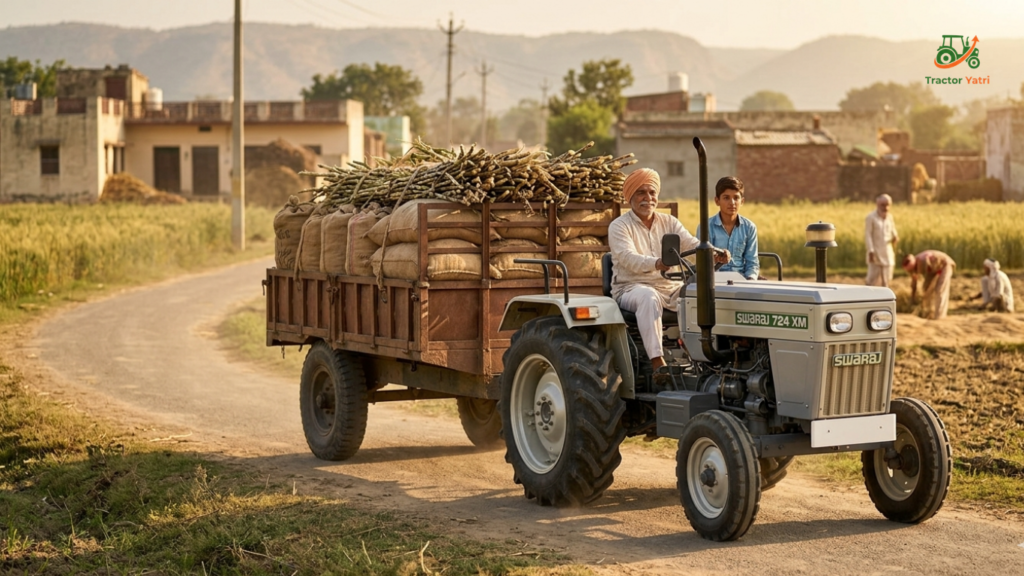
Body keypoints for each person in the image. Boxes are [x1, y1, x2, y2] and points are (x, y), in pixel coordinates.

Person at [608, 168, 730, 373]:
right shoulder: (619, 226)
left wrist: (715, 253)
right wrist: (656, 263)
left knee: (697, 294)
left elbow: (691, 244)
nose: (648, 198)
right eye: (641, 193)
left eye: (652, 193)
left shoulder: (669, 222)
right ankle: (658, 363)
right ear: (630, 197)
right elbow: (628, 258)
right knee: (649, 297)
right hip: (631, 288)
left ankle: (707, 358)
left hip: (670, 286)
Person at [696, 176, 759, 280]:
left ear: (742, 201)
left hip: (741, 280)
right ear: (717, 201)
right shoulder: (706, 227)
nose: (732, 203)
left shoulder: (749, 227)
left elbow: (752, 263)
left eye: (736, 198)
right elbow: (701, 262)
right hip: (714, 281)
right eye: (726, 198)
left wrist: (750, 281)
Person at [902, 250, 956, 320]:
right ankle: (928, 311)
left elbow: (928, 279)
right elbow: (914, 284)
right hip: (935, 269)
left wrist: (926, 291)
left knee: (940, 289)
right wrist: (913, 298)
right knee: (926, 289)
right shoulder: (914, 266)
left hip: (946, 265)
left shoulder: (923, 261)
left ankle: (939, 317)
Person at [865, 194, 899, 287]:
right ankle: (868, 299)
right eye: (883, 205)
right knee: (871, 280)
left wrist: (895, 236)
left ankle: (885, 299)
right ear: (877, 204)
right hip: (875, 252)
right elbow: (868, 235)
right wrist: (870, 250)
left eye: (888, 205)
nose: (886, 208)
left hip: (887, 252)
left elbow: (893, 229)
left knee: (887, 280)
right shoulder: (871, 217)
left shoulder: (890, 217)